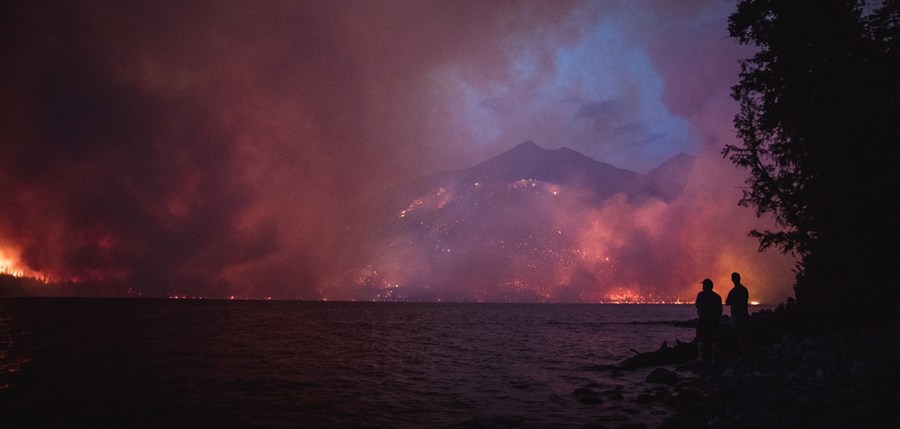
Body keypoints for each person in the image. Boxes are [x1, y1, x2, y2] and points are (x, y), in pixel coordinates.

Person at [694, 278, 722, 363]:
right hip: (713, 320)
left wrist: (703, 314)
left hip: (703, 319)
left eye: (703, 285)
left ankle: (701, 357)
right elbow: (720, 309)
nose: (702, 286)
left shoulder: (701, 295)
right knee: (714, 338)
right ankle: (713, 358)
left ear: (705, 286)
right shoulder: (717, 296)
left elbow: (698, 305)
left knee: (701, 337)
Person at [725, 271, 750, 354]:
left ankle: (743, 353)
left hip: (737, 315)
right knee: (745, 334)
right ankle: (746, 353)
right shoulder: (744, 290)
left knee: (739, 335)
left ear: (732, 280)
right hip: (744, 314)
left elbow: (727, 302)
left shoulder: (734, 291)